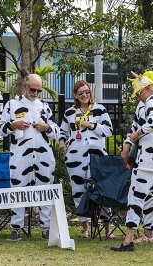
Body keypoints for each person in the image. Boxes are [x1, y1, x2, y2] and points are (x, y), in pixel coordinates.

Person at [112, 74, 153, 252]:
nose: (138, 98)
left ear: (146, 90)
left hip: (148, 162)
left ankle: (128, 241)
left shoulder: (152, 100)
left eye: (138, 94)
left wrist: (137, 134)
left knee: (135, 199)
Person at [0, 74, 59, 241]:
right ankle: (16, 228)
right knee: (17, 187)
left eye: (39, 90)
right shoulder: (12, 104)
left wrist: (46, 127)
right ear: (25, 87)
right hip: (20, 154)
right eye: (33, 89)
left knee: (45, 188)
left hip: (43, 154)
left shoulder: (45, 107)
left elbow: (56, 131)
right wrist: (12, 125)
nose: (36, 93)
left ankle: (46, 228)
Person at [58, 80, 114, 239]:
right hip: (76, 157)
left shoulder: (100, 109)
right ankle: (85, 228)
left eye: (87, 92)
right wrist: (62, 142)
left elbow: (108, 130)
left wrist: (91, 125)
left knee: (102, 191)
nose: (85, 95)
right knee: (79, 191)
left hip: (97, 156)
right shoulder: (70, 112)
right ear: (75, 95)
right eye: (81, 93)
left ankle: (107, 228)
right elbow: (62, 131)